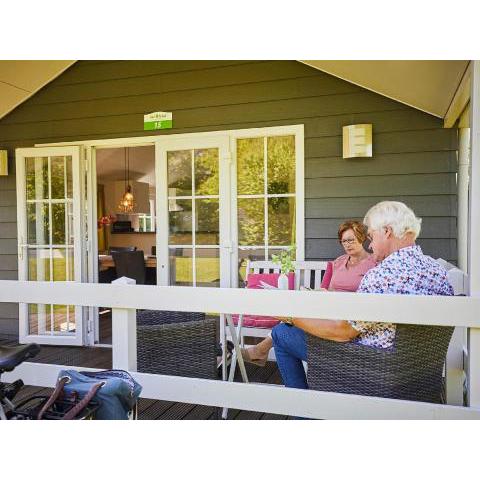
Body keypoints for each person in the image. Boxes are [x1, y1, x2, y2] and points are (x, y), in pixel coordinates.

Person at [271, 200, 454, 390]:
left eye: (372, 236)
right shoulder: (437, 271)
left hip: (368, 364)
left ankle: (302, 414)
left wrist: (290, 316)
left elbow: (343, 332)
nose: (371, 244)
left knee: (281, 332)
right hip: (415, 369)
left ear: (387, 231)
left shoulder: (382, 275)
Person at [241, 220, 376, 366]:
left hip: (348, 317)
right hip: (328, 309)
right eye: (343, 241)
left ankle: (261, 350)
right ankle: (261, 351)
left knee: (284, 328)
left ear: (361, 237)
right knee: (288, 317)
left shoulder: (373, 264)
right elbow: (326, 289)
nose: (347, 244)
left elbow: (368, 296)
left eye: (350, 240)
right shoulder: (338, 262)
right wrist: (318, 293)